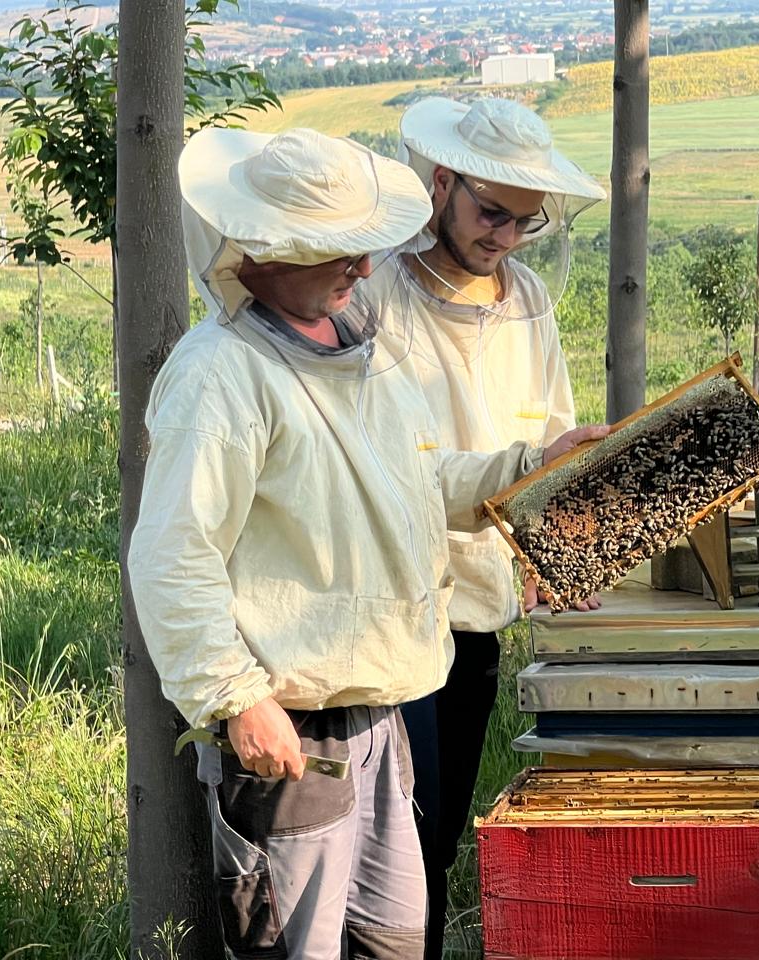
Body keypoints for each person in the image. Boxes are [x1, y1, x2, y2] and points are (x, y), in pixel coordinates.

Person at [126, 126, 607, 960]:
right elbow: (174, 555)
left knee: (395, 939)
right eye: (340, 252)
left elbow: (423, 479)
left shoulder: (359, 349)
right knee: (299, 947)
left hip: (382, 711)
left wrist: (530, 468)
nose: (362, 270)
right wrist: (238, 699)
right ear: (270, 248)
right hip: (294, 729)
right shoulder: (219, 376)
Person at [374, 96, 607, 958]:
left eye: (526, 221)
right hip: (396, 607)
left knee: (438, 843)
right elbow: (391, 475)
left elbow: (555, 431)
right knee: (400, 845)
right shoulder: (380, 293)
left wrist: (555, 539)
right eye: (491, 213)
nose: (506, 236)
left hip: (479, 612)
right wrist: (520, 472)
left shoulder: (531, 300)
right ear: (442, 184)